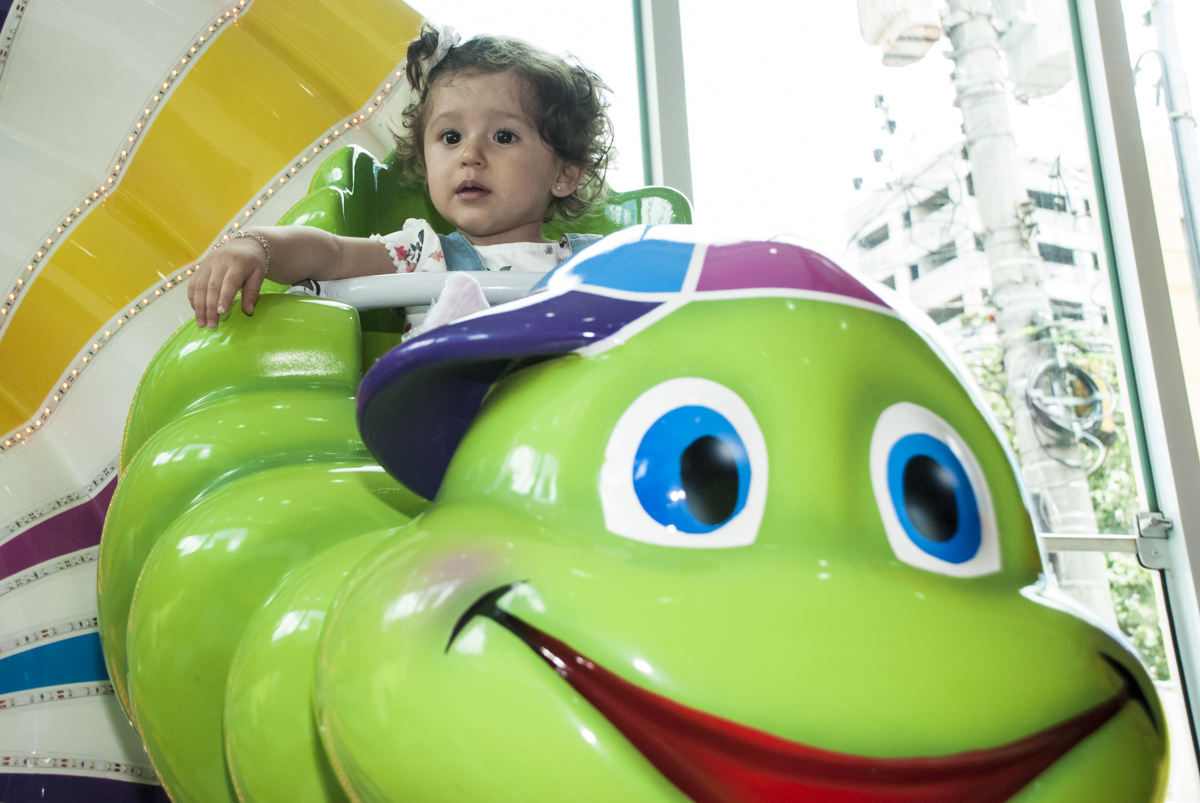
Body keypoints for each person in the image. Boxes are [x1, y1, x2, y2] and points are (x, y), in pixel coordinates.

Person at [187, 24, 614, 334]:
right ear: (426, 163)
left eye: (504, 136)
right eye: (450, 137)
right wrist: (255, 246)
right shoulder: (423, 252)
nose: (470, 155)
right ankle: (455, 342)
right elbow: (330, 254)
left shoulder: (602, 261)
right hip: (450, 424)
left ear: (565, 173)